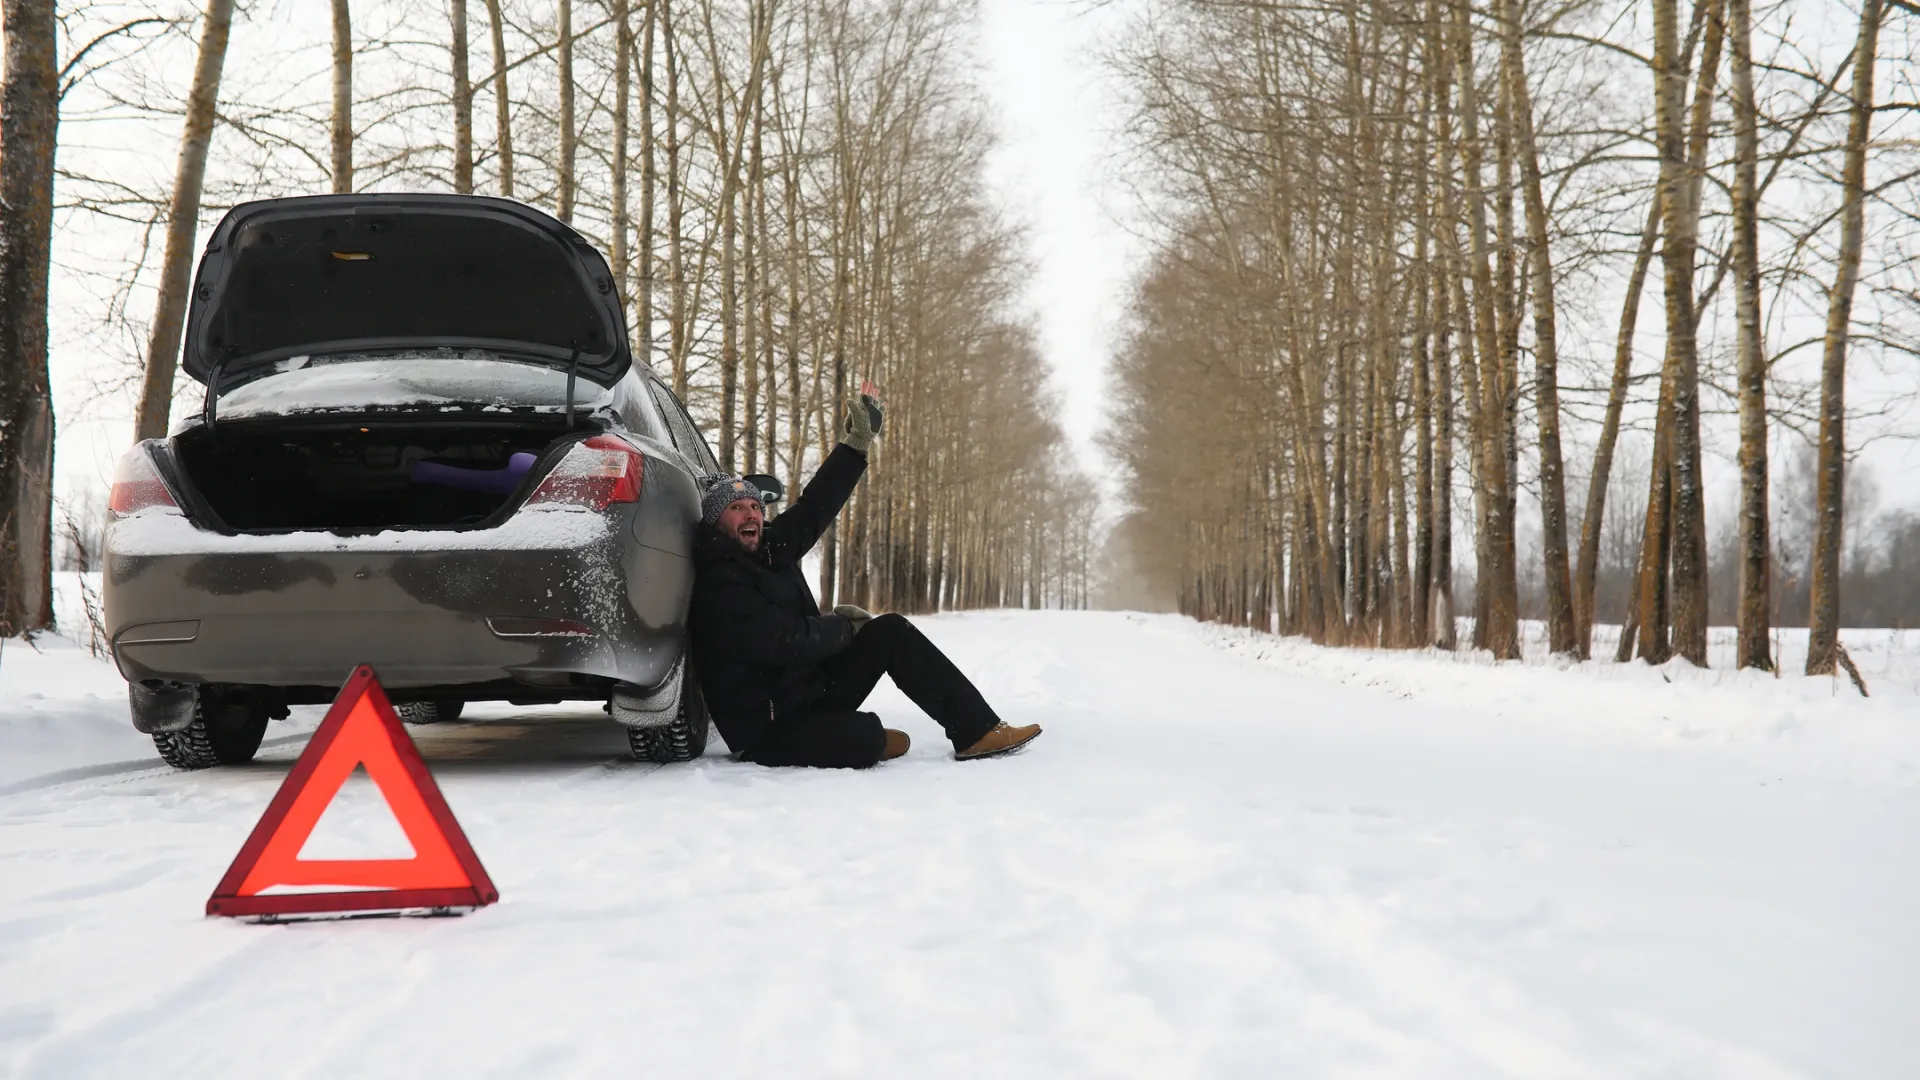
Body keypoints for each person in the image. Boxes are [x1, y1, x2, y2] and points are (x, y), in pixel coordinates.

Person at [688, 385, 1042, 768]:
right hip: (766, 729)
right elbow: (784, 641)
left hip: (802, 693)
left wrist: (856, 444)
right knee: (869, 740)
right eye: (737, 508)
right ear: (715, 520)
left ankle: (977, 731)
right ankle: (853, 734)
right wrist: (844, 629)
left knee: (890, 631)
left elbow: (814, 507)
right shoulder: (719, 580)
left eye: (755, 506)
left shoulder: (771, 548)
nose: (751, 515)